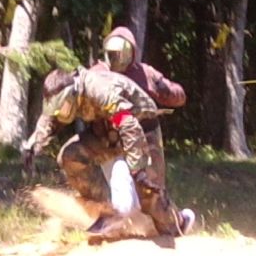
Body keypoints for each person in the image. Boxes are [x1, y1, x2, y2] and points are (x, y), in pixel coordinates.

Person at [20, 65, 195, 243]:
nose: (61, 114)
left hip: (141, 127)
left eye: (63, 108)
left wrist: (138, 169)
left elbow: (127, 123)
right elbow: (49, 118)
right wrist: (33, 145)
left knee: (149, 193)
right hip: (107, 130)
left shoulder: (100, 90)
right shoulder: (63, 96)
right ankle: (109, 211)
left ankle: (179, 222)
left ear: (73, 94)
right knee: (71, 157)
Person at [92, 27, 186, 194]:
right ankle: (104, 205)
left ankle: (160, 207)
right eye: (113, 55)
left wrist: (168, 91)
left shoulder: (144, 73)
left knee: (153, 188)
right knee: (115, 184)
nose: (117, 59)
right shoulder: (97, 74)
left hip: (145, 133)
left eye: (121, 55)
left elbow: (179, 96)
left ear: (131, 54)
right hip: (110, 135)